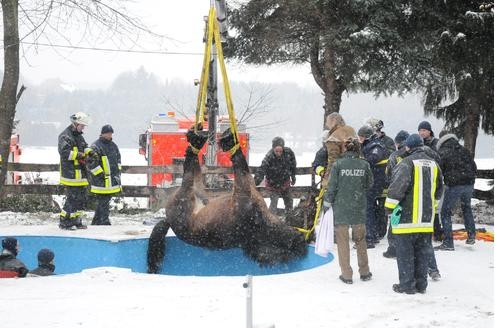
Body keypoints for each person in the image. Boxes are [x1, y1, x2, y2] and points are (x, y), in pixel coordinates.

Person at [385, 134, 443, 294]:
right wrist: (432, 208)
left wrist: (389, 209)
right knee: (422, 254)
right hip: (425, 221)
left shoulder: (406, 163)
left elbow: (397, 189)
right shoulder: (434, 164)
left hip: (406, 220)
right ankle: (421, 284)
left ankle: (406, 285)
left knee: (405, 255)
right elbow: (439, 191)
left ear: (408, 147)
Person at [325, 138, 373, 284]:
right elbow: (369, 184)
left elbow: (332, 186)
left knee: (343, 242)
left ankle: (347, 274)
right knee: (361, 241)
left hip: (342, 208)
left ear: (344, 148)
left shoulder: (338, 164)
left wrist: (327, 203)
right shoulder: (364, 164)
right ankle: (364, 272)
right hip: (358, 207)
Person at [435, 131, 477, 250]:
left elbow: (439, 170)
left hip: (454, 185)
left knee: (445, 213)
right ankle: (471, 234)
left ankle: (448, 243)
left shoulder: (443, 152)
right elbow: (474, 166)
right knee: (466, 208)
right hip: (469, 184)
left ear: (441, 139)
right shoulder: (463, 149)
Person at [58, 112, 92, 230]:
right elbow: (65, 153)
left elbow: (84, 146)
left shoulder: (78, 136)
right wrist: (80, 155)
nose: (83, 128)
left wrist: (90, 152)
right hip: (70, 175)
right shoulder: (65, 136)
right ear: (75, 124)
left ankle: (76, 220)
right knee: (72, 199)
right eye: (82, 126)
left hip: (81, 175)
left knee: (80, 199)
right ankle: (65, 221)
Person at [357, 125, 389, 248]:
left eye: (360, 136)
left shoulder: (376, 145)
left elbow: (374, 158)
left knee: (367, 209)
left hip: (375, 182)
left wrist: (360, 160)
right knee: (370, 209)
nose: (359, 139)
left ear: (366, 137)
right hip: (372, 181)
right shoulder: (369, 145)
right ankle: (373, 235)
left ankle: (369, 238)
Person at [86, 124, 122, 225]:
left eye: (111, 133)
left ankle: (96, 221)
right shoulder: (96, 146)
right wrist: (99, 174)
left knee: (104, 201)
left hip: (111, 180)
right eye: (108, 133)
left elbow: (118, 159)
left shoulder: (113, 145)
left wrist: (117, 173)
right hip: (100, 180)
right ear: (102, 134)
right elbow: (91, 162)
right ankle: (104, 221)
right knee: (103, 201)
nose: (110, 135)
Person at [382, 130, 410, 259]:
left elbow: (388, 174)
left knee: (395, 219)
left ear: (397, 142)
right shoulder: (414, 154)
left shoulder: (394, 156)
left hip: (397, 192)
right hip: (412, 192)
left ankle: (393, 248)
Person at [254, 137, 297, 214]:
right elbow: (262, 169)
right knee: (274, 203)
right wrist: (255, 182)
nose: (278, 153)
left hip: (285, 182)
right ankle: (272, 220)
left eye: (280, 151)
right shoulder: (269, 157)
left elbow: (293, 165)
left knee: (289, 201)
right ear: (273, 149)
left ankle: (289, 218)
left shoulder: (288, 153)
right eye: (276, 151)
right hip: (273, 184)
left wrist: (293, 176)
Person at [323, 113, 357, 187]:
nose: (326, 124)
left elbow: (333, 160)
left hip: (342, 174)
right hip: (356, 171)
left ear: (333, 121)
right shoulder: (351, 130)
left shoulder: (334, 137)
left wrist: (327, 179)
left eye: (327, 121)